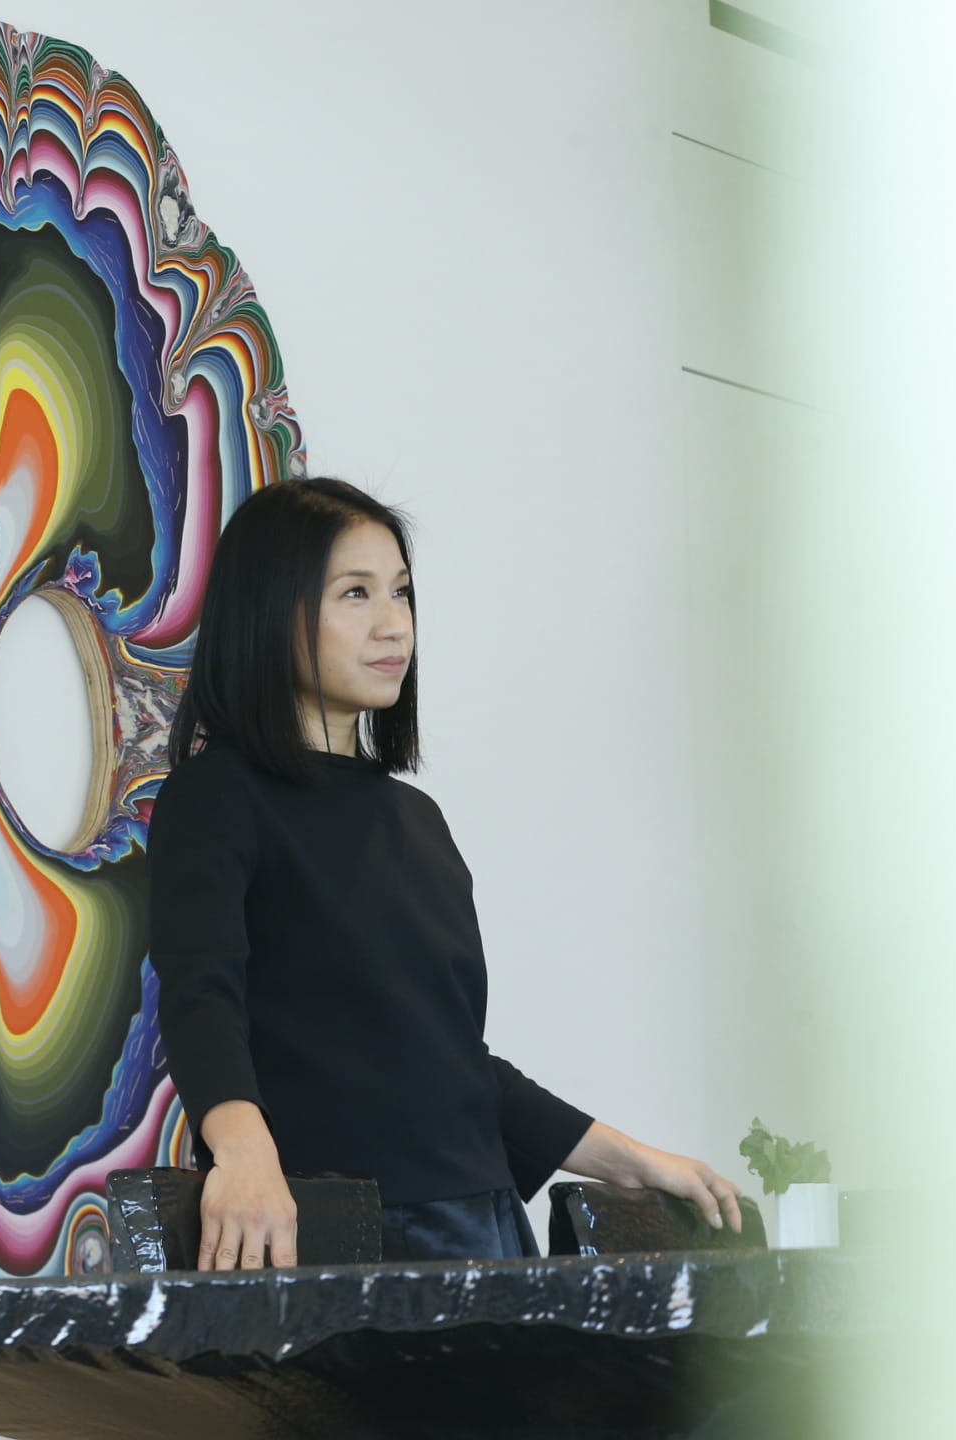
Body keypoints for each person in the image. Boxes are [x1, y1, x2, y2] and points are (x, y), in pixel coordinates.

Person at [146, 477, 745, 1269]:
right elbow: (199, 997)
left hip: (485, 1234)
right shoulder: (217, 795)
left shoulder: (415, 821)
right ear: (271, 608)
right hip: (339, 1238)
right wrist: (241, 1151)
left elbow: (453, 1065)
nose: (395, 624)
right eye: (355, 594)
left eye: (401, 592)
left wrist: (630, 1159)